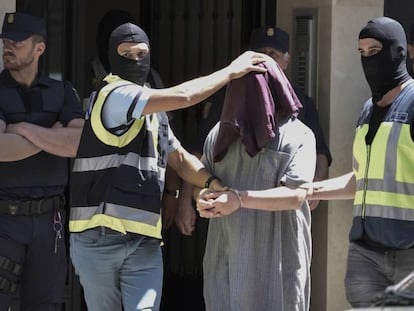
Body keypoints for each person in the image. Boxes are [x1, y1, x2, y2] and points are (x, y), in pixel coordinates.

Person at [68, 22, 270, 311]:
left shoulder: (153, 110)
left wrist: (214, 184)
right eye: (127, 54)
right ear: (113, 58)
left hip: (145, 241)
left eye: (142, 53)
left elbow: (180, 159)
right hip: (99, 239)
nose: (137, 60)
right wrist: (231, 71)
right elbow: (186, 97)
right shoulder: (113, 94)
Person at [301, 17, 414, 308]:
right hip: (365, 252)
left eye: (374, 51)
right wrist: (309, 191)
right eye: (361, 53)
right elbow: (361, 179)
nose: (368, 60)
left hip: (407, 254)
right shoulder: (367, 109)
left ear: (398, 52)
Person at [196, 54, 316, 310]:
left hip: (278, 264)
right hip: (227, 260)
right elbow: (205, 181)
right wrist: (204, 198)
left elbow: (295, 196)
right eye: (243, 86)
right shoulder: (218, 134)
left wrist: (238, 199)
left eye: (260, 86)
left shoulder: (298, 136)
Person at [0, 12, 84, 310]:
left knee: (45, 304)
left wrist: (21, 129)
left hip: (50, 222)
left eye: (17, 42)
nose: (8, 47)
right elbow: (0, 148)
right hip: (5, 218)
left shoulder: (61, 91)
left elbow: (79, 143)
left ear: (39, 48)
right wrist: (52, 136)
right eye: (5, 41)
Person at [249, 26, 332, 209]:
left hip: (287, 203)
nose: (266, 60)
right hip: (242, 200)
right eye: (261, 54)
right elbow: (203, 152)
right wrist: (184, 202)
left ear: (286, 61)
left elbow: (321, 153)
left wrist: (315, 187)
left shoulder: (301, 102)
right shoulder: (233, 98)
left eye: (273, 54)